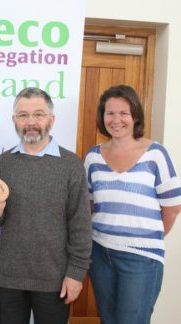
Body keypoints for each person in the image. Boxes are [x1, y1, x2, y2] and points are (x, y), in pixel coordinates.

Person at [0, 87, 92, 324]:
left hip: (55, 280)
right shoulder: (3, 163)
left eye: (38, 114)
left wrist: (76, 274)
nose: (30, 121)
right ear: (14, 120)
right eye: (23, 115)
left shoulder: (71, 165)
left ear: (51, 119)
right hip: (8, 279)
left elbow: (81, 224)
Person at [84, 84, 181, 324]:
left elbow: (172, 207)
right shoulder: (93, 156)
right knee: (108, 320)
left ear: (135, 115)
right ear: (102, 116)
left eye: (123, 113)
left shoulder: (156, 153)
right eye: (110, 113)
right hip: (100, 253)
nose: (116, 120)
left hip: (141, 257)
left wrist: (146, 238)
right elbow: (88, 204)